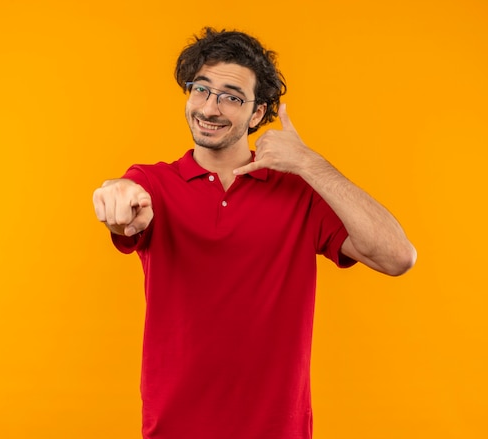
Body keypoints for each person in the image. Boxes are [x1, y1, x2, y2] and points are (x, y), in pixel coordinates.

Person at [92, 27, 416, 439]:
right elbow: (124, 200)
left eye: (231, 96)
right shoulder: (154, 184)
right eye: (201, 89)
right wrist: (116, 198)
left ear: (258, 114)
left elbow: (397, 256)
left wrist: (310, 164)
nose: (210, 107)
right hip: (174, 430)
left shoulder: (300, 193)